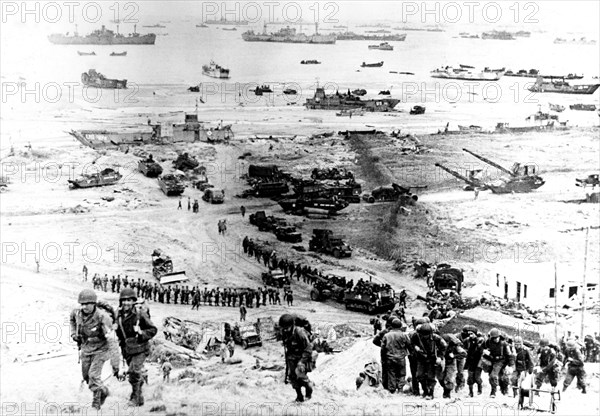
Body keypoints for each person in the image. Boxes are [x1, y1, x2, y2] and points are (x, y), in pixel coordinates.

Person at [69, 289, 112, 410]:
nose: (84, 307)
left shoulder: (102, 316)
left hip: (100, 350)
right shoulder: (76, 313)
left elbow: (111, 337)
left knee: (93, 376)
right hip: (85, 348)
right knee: (87, 377)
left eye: (87, 304)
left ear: (93, 303)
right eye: (82, 304)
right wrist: (73, 334)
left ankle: (96, 403)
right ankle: (103, 390)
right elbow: (72, 320)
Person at [115, 288, 157, 407]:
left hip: (141, 348)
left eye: (129, 300)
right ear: (120, 301)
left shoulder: (140, 314)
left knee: (133, 372)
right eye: (124, 300)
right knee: (135, 374)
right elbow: (114, 326)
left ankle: (136, 398)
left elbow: (153, 330)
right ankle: (140, 388)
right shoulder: (117, 314)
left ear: (134, 301)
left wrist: (141, 333)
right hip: (127, 349)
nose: (126, 303)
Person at [279, 314, 314, 402]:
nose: (285, 330)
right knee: (292, 378)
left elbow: (308, 347)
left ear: (292, 325)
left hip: (301, 359)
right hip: (291, 358)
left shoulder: (299, 332)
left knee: (301, 376)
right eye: (284, 328)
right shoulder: (285, 332)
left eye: (287, 328)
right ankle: (299, 396)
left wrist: (302, 361)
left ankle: (309, 388)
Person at [410, 323, 447, 400]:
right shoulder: (416, 336)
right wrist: (415, 347)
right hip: (421, 359)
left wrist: (440, 357)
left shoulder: (436, 338)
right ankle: (425, 391)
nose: (425, 336)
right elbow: (411, 343)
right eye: (423, 335)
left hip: (432, 359)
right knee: (419, 376)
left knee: (431, 377)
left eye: (427, 335)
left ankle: (431, 393)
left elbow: (444, 346)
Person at [381, 318, 410, 393]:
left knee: (391, 373)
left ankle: (392, 390)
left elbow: (383, 349)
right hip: (401, 357)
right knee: (402, 373)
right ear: (400, 326)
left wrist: (383, 359)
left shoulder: (386, 335)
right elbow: (409, 345)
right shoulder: (403, 335)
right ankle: (400, 389)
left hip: (390, 358)